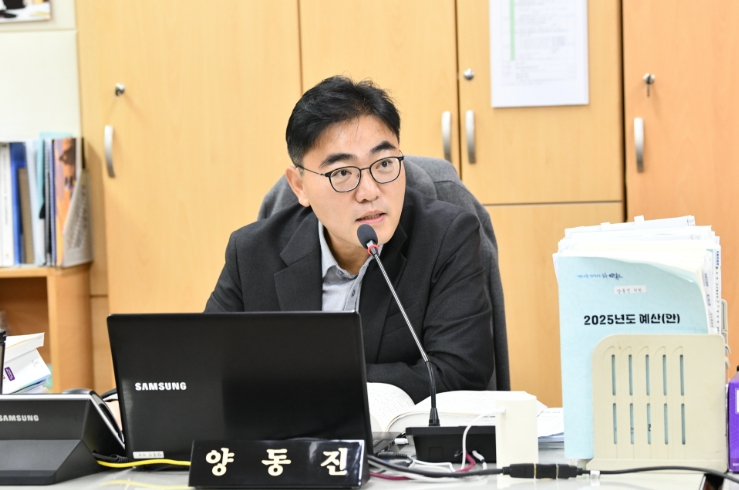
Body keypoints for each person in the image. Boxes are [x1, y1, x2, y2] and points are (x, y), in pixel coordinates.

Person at [205, 76, 494, 403]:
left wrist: (311, 381)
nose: (369, 192)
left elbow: (459, 372)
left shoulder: (446, 237)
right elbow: (209, 369)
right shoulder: (251, 253)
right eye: (342, 173)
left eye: (384, 164)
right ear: (299, 186)